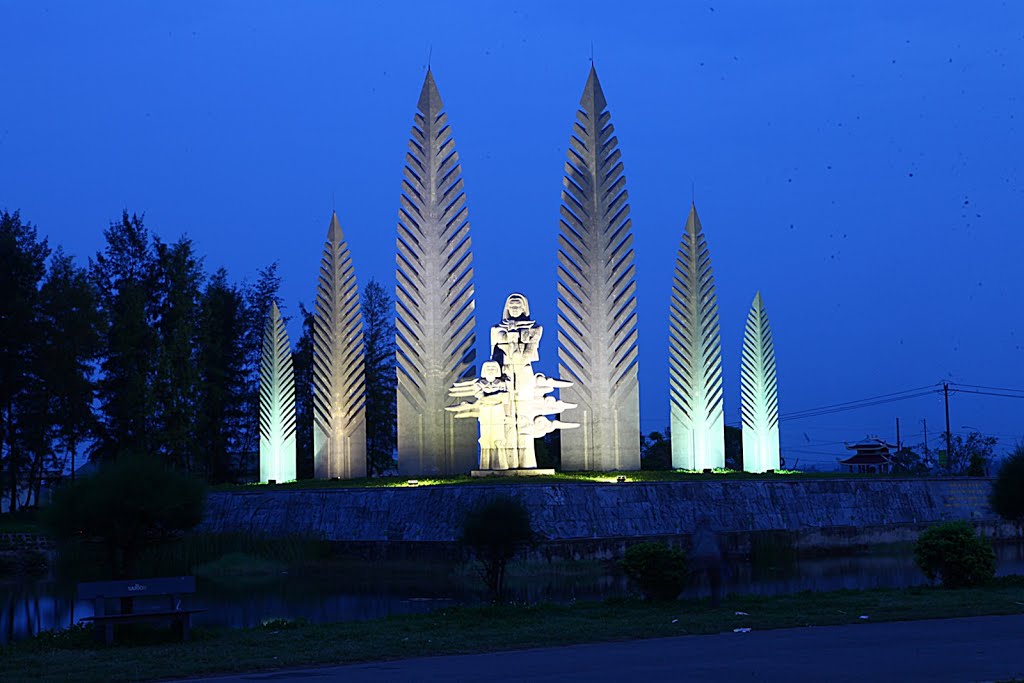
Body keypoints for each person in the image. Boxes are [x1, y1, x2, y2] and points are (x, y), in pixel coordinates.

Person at [690, 517, 725, 607]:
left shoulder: (697, 533)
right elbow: (720, 544)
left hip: (701, 556)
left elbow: (694, 545)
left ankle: (694, 598)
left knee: (694, 578)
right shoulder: (713, 532)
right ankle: (715, 601)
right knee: (715, 581)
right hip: (714, 556)